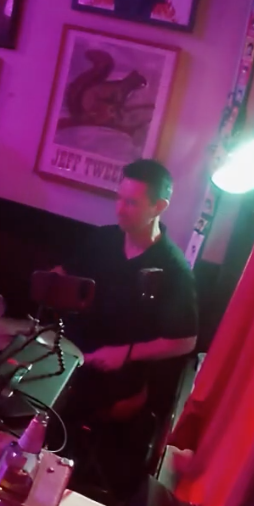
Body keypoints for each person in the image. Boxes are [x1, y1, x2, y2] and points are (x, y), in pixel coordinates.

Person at [59, 159, 198, 424]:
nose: (119, 209)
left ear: (159, 207)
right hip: (71, 361)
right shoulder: (103, 239)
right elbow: (64, 275)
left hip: (115, 384)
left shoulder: (174, 269)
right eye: (119, 198)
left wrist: (125, 353)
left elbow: (185, 341)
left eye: (131, 203)